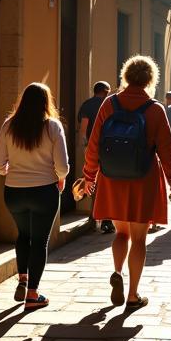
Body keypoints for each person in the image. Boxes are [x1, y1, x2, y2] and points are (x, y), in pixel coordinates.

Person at [84, 56, 171, 309]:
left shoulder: (108, 104)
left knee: (121, 232)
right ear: (150, 79)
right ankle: (133, 294)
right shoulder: (156, 109)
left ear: (125, 76)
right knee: (139, 238)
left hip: (113, 178)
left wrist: (88, 176)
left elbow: (94, 144)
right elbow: (167, 150)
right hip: (143, 178)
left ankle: (117, 272)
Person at [0, 82, 70, 310]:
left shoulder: (9, 125)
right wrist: (60, 177)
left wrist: (11, 172)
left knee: (23, 234)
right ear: (47, 102)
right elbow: (63, 167)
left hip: (14, 192)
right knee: (39, 241)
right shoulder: (53, 127)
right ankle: (33, 295)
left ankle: (23, 278)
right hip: (44, 190)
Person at [78, 81, 114, 234]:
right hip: (109, 149)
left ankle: (93, 217)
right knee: (108, 183)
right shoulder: (111, 105)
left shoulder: (86, 105)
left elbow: (83, 129)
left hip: (92, 148)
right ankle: (107, 220)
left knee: (91, 180)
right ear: (106, 91)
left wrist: (85, 147)